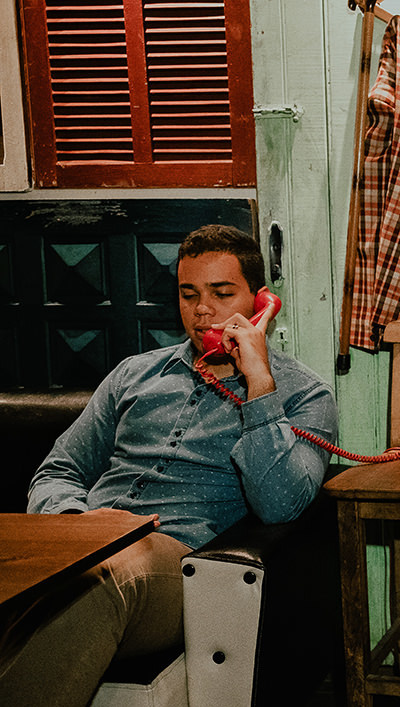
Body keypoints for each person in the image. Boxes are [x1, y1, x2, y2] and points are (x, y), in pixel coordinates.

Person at [0, 225, 338, 707]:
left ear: (261, 301)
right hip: (87, 540)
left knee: (101, 580)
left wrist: (259, 386)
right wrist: (76, 524)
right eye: (189, 294)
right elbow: (59, 469)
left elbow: (281, 505)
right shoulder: (133, 374)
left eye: (222, 293)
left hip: (175, 560)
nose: (202, 310)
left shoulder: (304, 394)